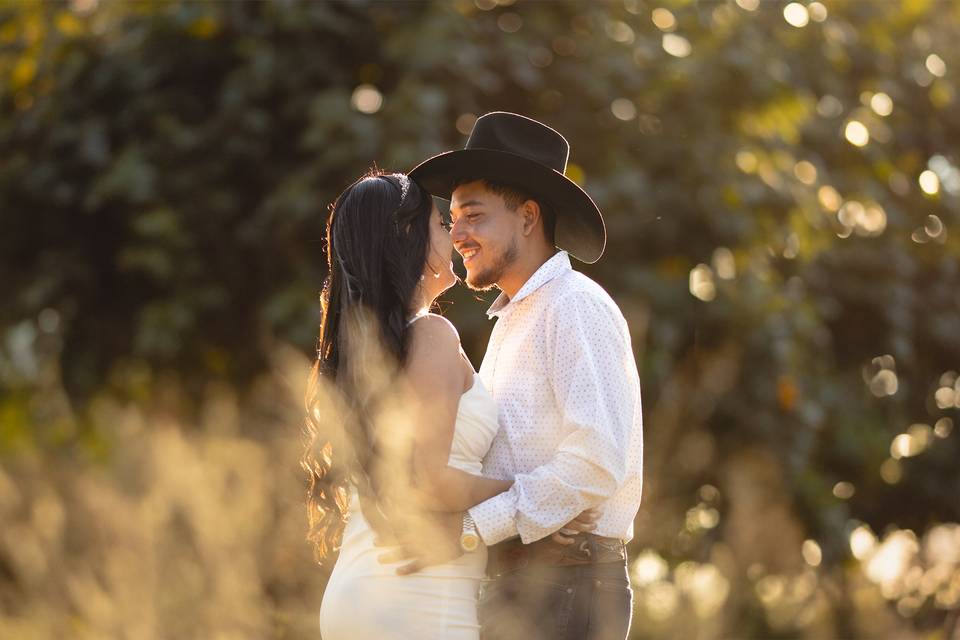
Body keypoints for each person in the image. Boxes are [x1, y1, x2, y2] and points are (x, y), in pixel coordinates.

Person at [305, 170, 596, 639]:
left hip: (365, 584)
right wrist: (537, 499)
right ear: (409, 238)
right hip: (416, 595)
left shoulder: (372, 352)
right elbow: (431, 481)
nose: (455, 235)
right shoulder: (431, 334)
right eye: (442, 224)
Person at [405, 111, 645, 640]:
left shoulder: (574, 306)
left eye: (473, 216)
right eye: (452, 218)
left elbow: (595, 462)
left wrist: (471, 530)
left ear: (528, 217)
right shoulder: (513, 320)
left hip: (568, 586)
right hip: (526, 584)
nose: (457, 234)